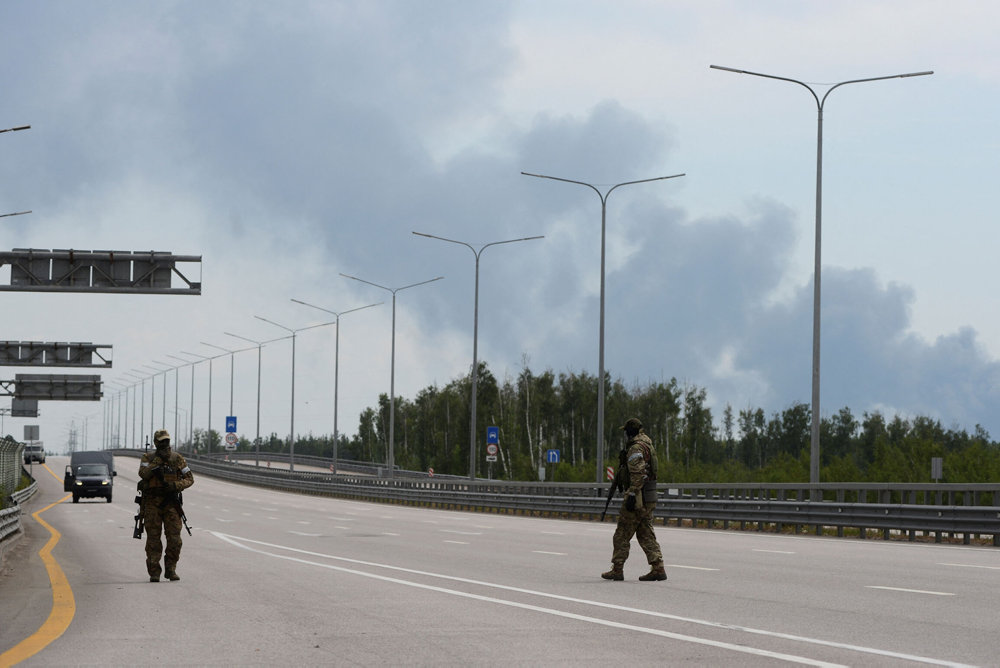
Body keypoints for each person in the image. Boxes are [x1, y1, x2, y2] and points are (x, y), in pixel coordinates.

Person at [601, 417, 666, 582]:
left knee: (621, 534)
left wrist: (631, 494)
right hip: (648, 496)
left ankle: (617, 569)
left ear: (629, 432)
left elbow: (637, 473)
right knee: (645, 533)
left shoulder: (636, 448)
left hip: (638, 497)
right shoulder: (647, 445)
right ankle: (658, 567)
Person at [138, 429, 194, 582]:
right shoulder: (148, 457)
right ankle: (154, 571)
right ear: (156, 443)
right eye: (161, 441)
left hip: (171, 503)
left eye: (167, 441)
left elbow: (189, 479)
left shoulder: (177, 458)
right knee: (153, 540)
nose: (164, 444)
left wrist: (176, 485)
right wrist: (155, 463)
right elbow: (143, 474)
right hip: (152, 504)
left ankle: (171, 568)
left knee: (175, 539)